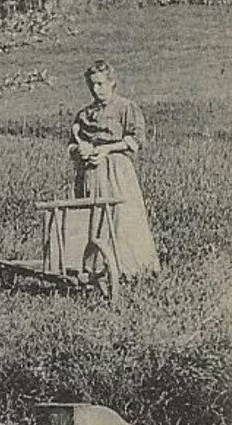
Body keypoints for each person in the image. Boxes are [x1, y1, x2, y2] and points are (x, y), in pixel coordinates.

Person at [69, 60, 162, 279]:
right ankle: (95, 270)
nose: (96, 89)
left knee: (121, 218)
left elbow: (136, 140)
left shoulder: (125, 107)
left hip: (116, 171)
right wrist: (80, 149)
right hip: (90, 173)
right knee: (92, 219)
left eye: (101, 84)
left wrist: (107, 149)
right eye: (92, 85)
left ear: (112, 83)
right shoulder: (84, 114)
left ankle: (128, 269)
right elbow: (72, 143)